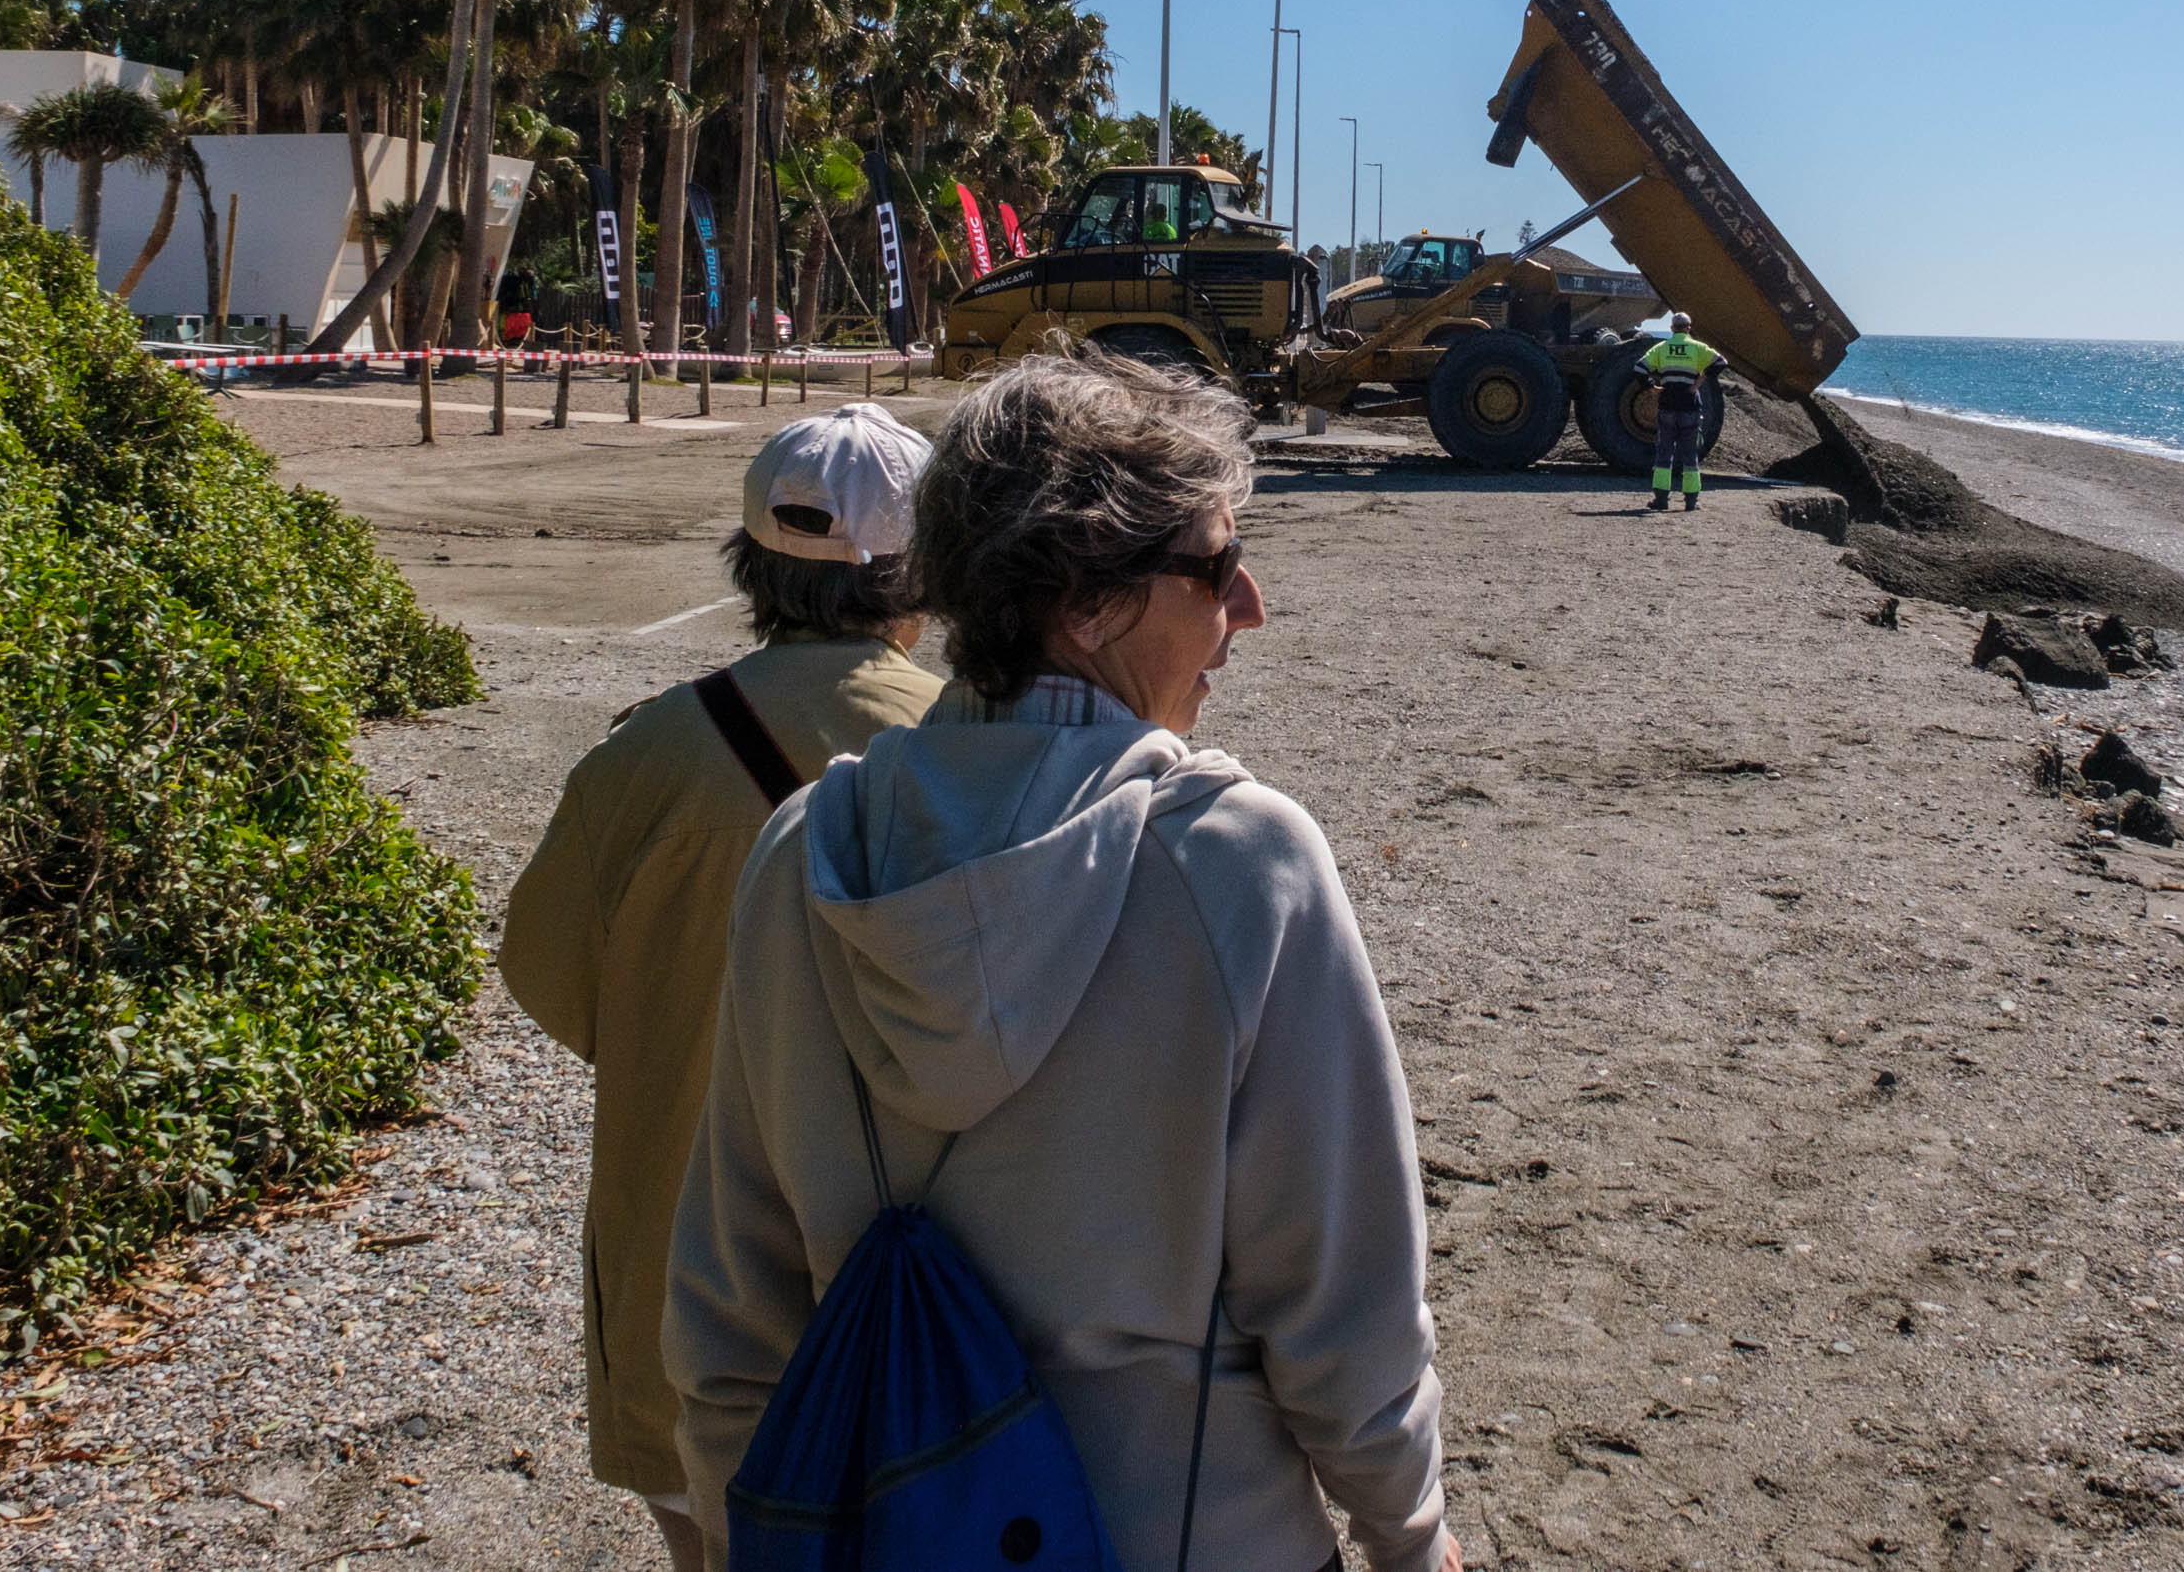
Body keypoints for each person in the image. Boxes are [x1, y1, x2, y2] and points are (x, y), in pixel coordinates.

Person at [668, 348, 1461, 1572]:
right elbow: (1343, 1307)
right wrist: (1409, 1531)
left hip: (889, 1521)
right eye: (1214, 566)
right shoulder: (1240, 863)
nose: (1246, 606)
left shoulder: (804, 855)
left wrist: (739, 1530)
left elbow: (733, 1296)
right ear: (1085, 604)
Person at [499, 402, 947, 1572]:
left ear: (749, 561)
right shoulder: (966, 752)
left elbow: (543, 975)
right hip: (914, 1281)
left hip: (680, 1264)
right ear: (925, 573)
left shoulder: (639, 754)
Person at [1639, 312, 1721, 512]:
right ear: (1689, 328)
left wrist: (1651, 386)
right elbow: (1720, 363)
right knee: (1690, 455)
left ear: (1672, 328)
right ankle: (1691, 502)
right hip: (1690, 407)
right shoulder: (1697, 348)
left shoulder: (1662, 348)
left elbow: (1639, 368)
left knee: (1664, 454)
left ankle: (1661, 500)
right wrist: (1699, 381)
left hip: (1667, 406)